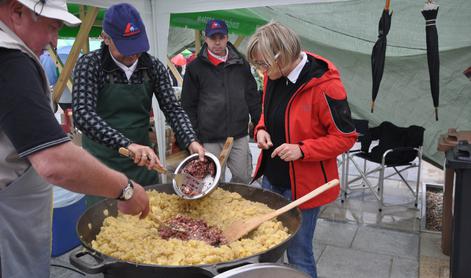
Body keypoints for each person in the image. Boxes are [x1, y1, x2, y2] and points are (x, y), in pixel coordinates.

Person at [0, 0, 150, 277]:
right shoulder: (9, 59)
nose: (53, 41)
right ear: (16, 11)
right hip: (8, 214)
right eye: (51, 28)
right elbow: (55, 161)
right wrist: (125, 188)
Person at [246, 22, 357, 278]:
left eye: (263, 64)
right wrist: (260, 129)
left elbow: (345, 138)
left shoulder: (326, 86)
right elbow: (268, 112)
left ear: (282, 56)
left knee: (298, 253)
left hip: (304, 188)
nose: (261, 71)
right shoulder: (272, 74)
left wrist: (302, 150)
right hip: (271, 177)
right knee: (267, 246)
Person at [72, 3, 205, 188]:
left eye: (136, 45)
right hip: (101, 164)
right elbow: (83, 115)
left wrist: (190, 140)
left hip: (142, 162)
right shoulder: (90, 65)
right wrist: (127, 144)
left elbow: (172, 108)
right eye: (125, 47)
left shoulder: (153, 67)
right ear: (105, 38)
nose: (133, 54)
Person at [181, 19, 261, 184]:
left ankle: (237, 209)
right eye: (213, 38)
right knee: (212, 181)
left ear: (227, 37)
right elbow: (188, 105)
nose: (217, 42)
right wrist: (194, 137)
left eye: (221, 37)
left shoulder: (241, 63)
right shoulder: (195, 68)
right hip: (210, 137)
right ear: (205, 38)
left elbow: (252, 95)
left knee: (243, 177)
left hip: (238, 134)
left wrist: (259, 124)